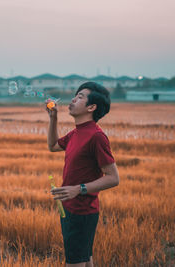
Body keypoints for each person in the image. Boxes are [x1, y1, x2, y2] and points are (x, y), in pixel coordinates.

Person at [46, 82, 120, 267]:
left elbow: (113, 177)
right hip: (71, 208)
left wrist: (78, 189)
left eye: (80, 97)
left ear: (91, 107)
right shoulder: (76, 133)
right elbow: (53, 146)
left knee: (75, 262)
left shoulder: (96, 136)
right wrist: (53, 118)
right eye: (75, 95)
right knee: (85, 261)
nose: (73, 99)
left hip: (82, 211)